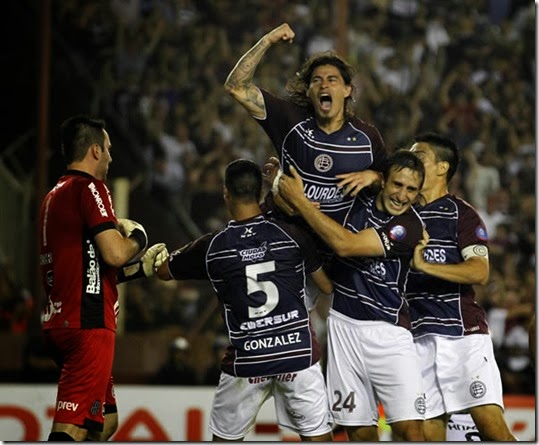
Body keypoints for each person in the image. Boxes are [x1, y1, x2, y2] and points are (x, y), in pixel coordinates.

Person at [155, 158, 334, 441]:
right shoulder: (291, 234)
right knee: (318, 438)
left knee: (225, 440)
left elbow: (164, 270)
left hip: (248, 360)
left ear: (225, 192)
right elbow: (325, 285)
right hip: (297, 355)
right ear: (260, 193)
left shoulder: (212, 247)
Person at [278, 150, 427, 441]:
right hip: (343, 328)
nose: (402, 195)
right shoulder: (354, 201)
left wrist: (299, 202)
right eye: (397, 184)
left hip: (389, 334)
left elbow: (345, 245)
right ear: (383, 181)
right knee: (359, 432)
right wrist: (279, 186)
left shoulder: (409, 227)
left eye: (412, 190)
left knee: (410, 431)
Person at [39, 115, 167, 441]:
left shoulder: (53, 196)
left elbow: (89, 268)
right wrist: (139, 236)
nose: (111, 157)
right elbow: (114, 254)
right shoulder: (90, 187)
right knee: (71, 428)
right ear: (95, 151)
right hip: (88, 325)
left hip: (61, 319)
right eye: (108, 149)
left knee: (104, 422)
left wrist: (141, 270)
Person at [406, 132, 517, 441]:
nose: (411, 161)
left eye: (420, 156)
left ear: (442, 167)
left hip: (462, 334)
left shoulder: (462, 215)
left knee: (491, 426)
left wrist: (425, 266)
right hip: (417, 336)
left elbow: (479, 271)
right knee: (427, 430)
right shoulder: (402, 214)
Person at [224, 22, 387, 227]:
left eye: (332, 79)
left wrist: (374, 176)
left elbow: (392, 185)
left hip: (337, 247)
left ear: (348, 90)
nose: (324, 84)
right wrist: (268, 39)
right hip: (285, 236)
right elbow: (235, 86)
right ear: (309, 91)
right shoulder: (290, 119)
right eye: (316, 80)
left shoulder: (367, 138)